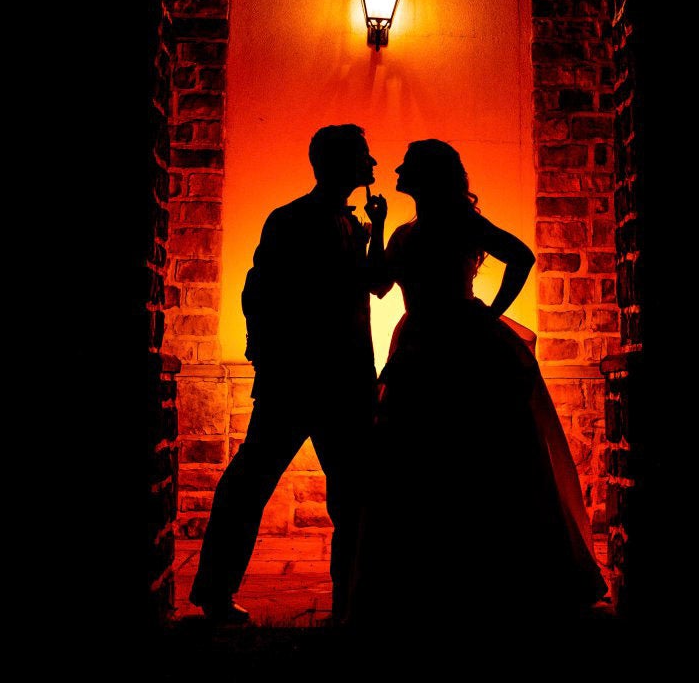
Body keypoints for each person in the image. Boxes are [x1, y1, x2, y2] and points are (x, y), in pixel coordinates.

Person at [349, 139, 607, 626]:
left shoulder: (462, 223)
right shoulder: (405, 232)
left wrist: (492, 312)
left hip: (460, 345)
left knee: (478, 458)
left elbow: (522, 256)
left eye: (409, 164)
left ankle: (483, 580)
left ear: (427, 175)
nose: (398, 170)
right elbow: (378, 282)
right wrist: (379, 224)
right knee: (427, 461)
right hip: (423, 342)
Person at [187, 124, 390, 624]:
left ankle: (348, 601)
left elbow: (377, 286)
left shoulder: (349, 224)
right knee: (256, 483)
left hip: (335, 379)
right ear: (341, 163)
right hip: (304, 378)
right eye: (365, 156)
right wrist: (264, 355)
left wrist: (378, 227)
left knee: (340, 493)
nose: (374, 165)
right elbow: (258, 291)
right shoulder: (291, 220)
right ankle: (224, 593)